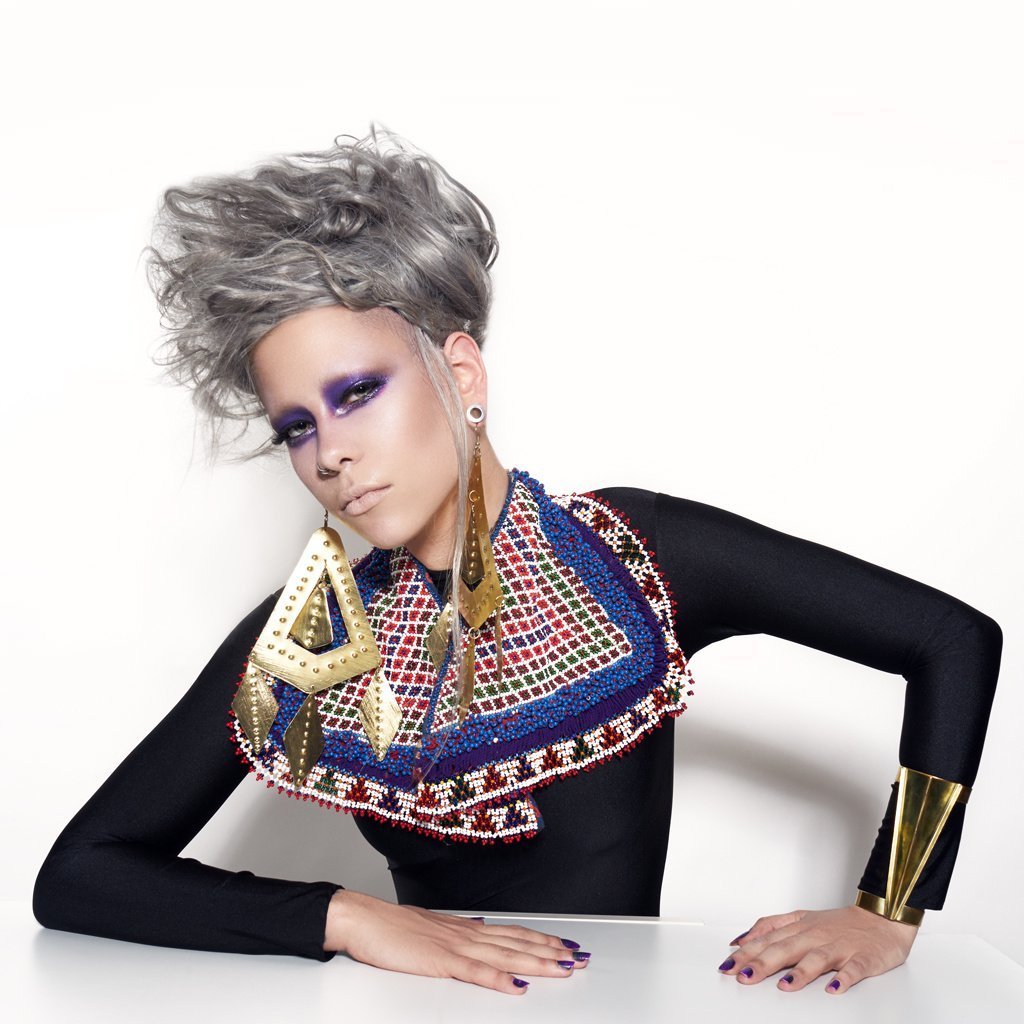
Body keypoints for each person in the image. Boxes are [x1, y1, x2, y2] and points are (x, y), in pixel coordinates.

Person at [32, 127, 1002, 998]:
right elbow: (79, 873)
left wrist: (891, 905)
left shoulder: (633, 554)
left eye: (357, 393)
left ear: (459, 373)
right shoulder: (308, 635)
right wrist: (347, 916)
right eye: (297, 426)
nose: (329, 453)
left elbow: (950, 638)